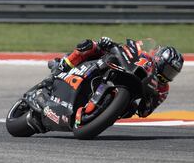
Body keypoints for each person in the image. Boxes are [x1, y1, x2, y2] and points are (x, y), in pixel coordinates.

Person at [48, 37, 184, 118]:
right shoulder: (145, 58)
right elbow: (128, 49)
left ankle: (98, 114)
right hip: (119, 69)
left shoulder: (163, 90)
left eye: (172, 73)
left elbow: (143, 113)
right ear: (159, 60)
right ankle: (60, 68)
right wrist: (110, 43)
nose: (168, 74)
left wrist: (150, 99)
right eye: (167, 69)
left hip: (128, 93)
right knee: (90, 45)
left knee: (130, 110)